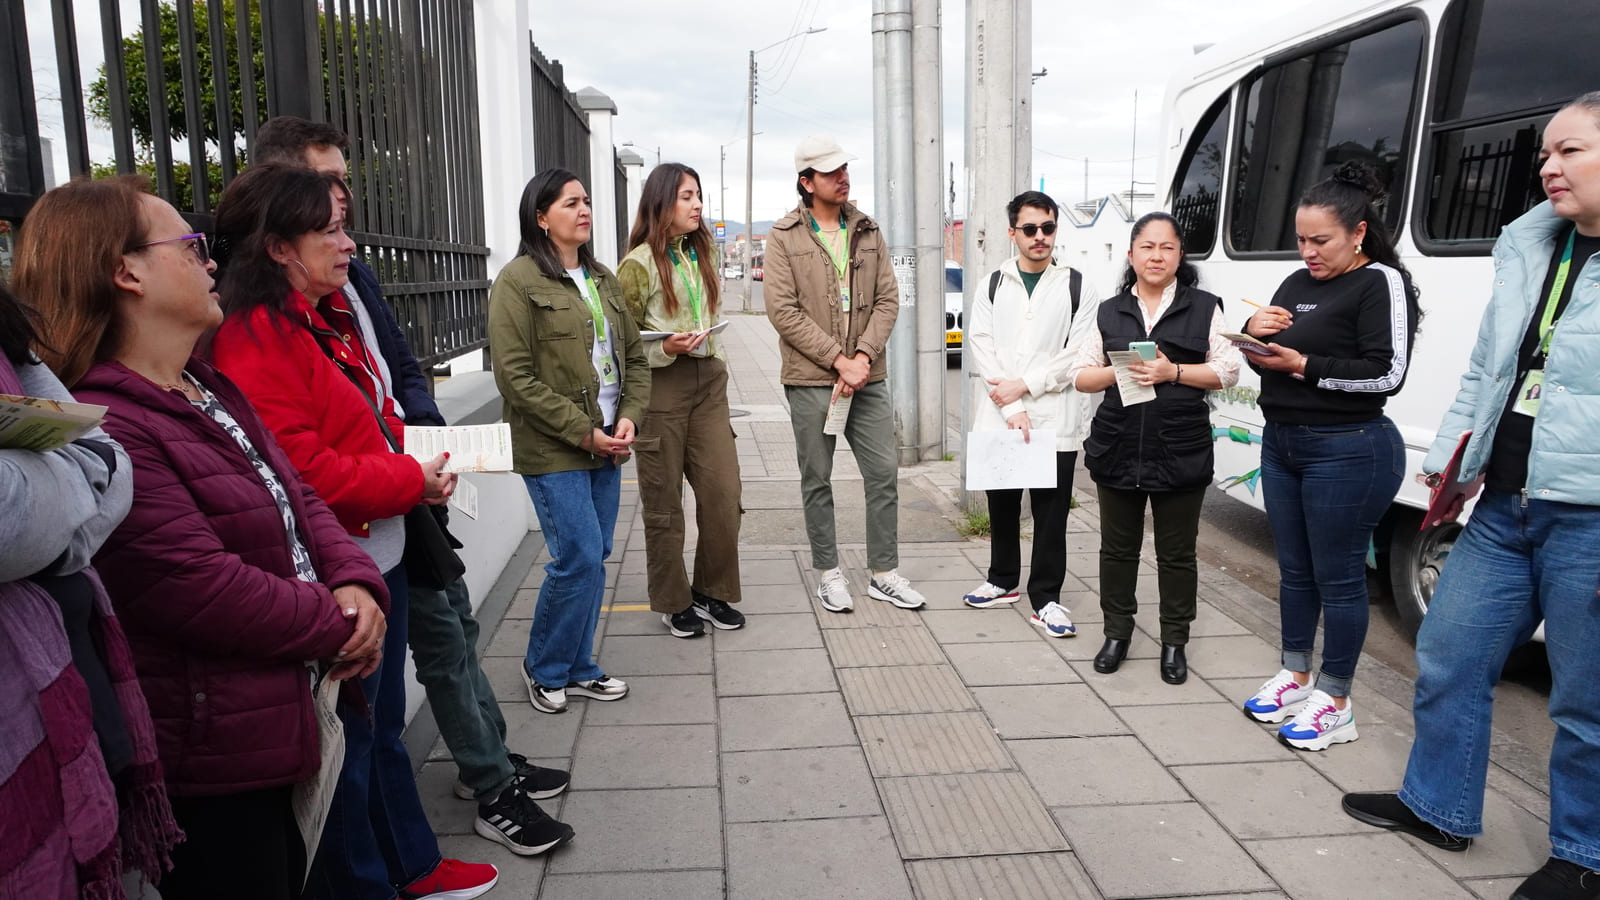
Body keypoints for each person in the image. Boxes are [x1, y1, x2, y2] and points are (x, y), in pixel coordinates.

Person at [251, 115, 571, 847]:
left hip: (410, 478)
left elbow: (394, 361)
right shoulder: (270, 316)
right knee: (423, 660)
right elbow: (314, 446)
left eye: (343, 189)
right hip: (373, 508)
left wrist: (425, 438)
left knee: (456, 625)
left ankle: (486, 763)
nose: (344, 218)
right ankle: (489, 788)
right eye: (325, 189)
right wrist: (401, 465)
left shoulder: (349, 274)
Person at [208, 166, 520, 897]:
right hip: (343, 562)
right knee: (349, 749)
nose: (349, 245)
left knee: (375, 735)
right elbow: (303, 469)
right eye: (332, 230)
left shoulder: (306, 320)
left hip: (372, 548)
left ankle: (407, 864)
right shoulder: (258, 337)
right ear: (281, 246)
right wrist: (410, 479)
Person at [1341, 93, 1600, 900]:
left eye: (1572, 151)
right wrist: (1451, 473)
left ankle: (1585, 857)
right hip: (1505, 505)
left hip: (1588, 517)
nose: (1549, 167)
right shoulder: (1535, 248)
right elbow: (1491, 376)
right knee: (1450, 655)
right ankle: (1438, 805)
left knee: (1585, 704)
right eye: (1546, 154)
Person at [0, 279, 181, 898]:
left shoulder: (11, 339)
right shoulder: (122, 393)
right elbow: (8, 520)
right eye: (188, 245)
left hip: (75, 686)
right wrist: (75, 485)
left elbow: (104, 457)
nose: (209, 262)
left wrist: (58, 512)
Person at [1238, 161, 1419, 751]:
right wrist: (1252, 332)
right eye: (1301, 239)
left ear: (1358, 232)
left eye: (1321, 240)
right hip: (1283, 441)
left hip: (1349, 450)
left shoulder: (1379, 283)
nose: (1308, 251)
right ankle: (1296, 674)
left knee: (1338, 578)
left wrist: (1302, 365)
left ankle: (1337, 700)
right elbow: (1267, 353)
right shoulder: (1294, 283)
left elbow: (1386, 374)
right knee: (1294, 571)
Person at [488, 168, 648, 713]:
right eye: (570, 203)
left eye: (586, 201)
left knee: (595, 555)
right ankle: (545, 667)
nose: (584, 210)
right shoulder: (517, 281)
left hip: (608, 441)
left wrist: (627, 417)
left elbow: (634, 358)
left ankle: (579, 666)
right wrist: (586, 433)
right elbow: (514, 377)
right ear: (541, 216)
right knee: (577, 554)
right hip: (555, 446)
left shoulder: (602, 278)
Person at [1065, 212, 1243, 684]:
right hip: (1117, 445)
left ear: (1180, 256)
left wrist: (1173, 372)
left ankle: (1173, 642)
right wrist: (1124, 369)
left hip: (1180, 449)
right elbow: (1081, 376)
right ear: (1131, 254)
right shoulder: (1109, 311)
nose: (1157, 256)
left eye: (1167, 247)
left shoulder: (1205, 307)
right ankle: (1117, 633)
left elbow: (1227, 371)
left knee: (1177, 554)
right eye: (1147, 246)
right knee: (1116, 551)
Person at [764, 134, 926, 613]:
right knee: (817, 478)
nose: (843, 178)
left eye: (844, 169)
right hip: (813, 380)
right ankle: (829, 573)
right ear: (806, 181)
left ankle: (883, 573)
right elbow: (783, 310)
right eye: (831, 172)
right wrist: (840, 360)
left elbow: (887, 300)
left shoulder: (867, 230)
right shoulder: (783, 236)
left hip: (867, 378)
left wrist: (863, 357)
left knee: (883, 474)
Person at [961, 190, 1099, 639]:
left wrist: (1026, 386)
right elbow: (980, 344)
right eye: (1030, 229)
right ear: (1012, 233)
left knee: (1051, 512)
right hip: (1002, 414)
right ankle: (1002, 580)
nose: (1040, 237)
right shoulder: (993, 283)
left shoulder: (1079, 285)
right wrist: (1014, 402)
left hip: (1054, 416)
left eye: (1048, 227)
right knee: (1002, 505)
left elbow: (1076, 353)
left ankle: (1047, 598)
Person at [618, 163, 745, 639]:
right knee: (664, 502)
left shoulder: (699, 255)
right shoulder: (637, 265)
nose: (697, 205)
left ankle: (713, 590)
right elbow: (621, 341)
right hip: (660, 387)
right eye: (687, 196)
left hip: (709, 381)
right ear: (662, 202)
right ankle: (674, 601)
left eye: (699, 196)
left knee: (722, 493)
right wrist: (663, 347)